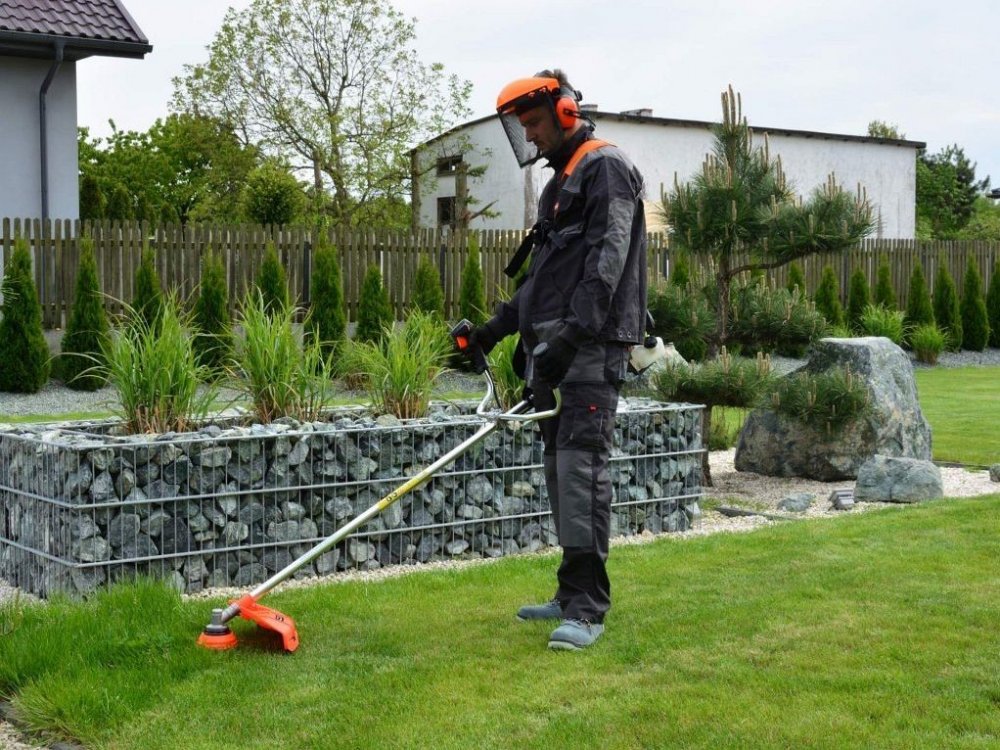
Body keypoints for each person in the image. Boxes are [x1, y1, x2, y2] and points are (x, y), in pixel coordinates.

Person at [467, 70, 647, 650]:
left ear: (566, 112)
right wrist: (492, 331)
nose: (530, 135)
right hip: (553, 348)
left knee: (582, 472)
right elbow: (543, 278)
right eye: (522, 127)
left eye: (535, 123)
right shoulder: (559, 183)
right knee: (559, 472)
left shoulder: (605, 168)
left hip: (589, 348)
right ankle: (569, 595)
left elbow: (607, 262)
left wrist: (574, 335)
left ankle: (588, 609)